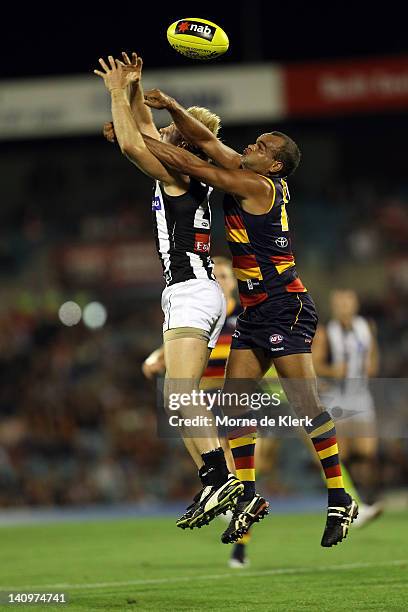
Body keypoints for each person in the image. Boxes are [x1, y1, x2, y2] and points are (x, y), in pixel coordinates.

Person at [139, 88, 358, 547]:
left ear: (274, 165)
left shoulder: (259, 185)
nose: (250, 147)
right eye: (254, 142)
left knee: (304, 406)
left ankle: (340, 497)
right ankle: (249, 498)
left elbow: (197, 165)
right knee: (234, 405)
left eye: (261, 147)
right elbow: (209, 146)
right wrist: (176, 110)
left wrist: (138, 143)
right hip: (256, 312)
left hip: (285, 304)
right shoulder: (247, 170)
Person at [94, 54, 244, 529]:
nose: (165, 133)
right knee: (177, 399)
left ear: (182, 143)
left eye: (172, 134)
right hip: (192, 291)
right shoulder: (187, 171)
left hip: (192, 290)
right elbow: (142, 130)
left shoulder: (178, 173)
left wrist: (118, 93)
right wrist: (136, 89)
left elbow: (135, 146)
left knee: (179, 394)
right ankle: (217, 478)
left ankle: (222, 480)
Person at [313, 289, 383, 527]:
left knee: (367, 452)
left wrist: (371, 368)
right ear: (334, 306)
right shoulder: (325, 333)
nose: (344, 307)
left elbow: (373, 355)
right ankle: (349, 503)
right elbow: (316, 364)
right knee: (340, 453)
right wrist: (333, 372)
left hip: (361, 396)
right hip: (337, 398)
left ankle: (363, 499)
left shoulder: (366, 327)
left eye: (348, 302)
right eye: (340, 303)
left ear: (355, 304)